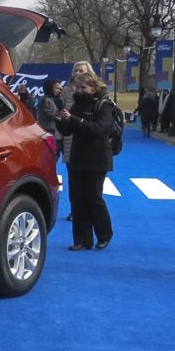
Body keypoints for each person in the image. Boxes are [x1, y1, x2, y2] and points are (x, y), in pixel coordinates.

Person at [55, 70, 114, 250]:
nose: (79, 91)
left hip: (97, 158)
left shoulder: (104, 105)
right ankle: (81, 239)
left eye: (83, 87)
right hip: (78, 156)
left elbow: (97, 129)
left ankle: (104, 234)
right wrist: (61, 120)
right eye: (77, 87)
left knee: (94, 197)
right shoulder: (78, 104)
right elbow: (68, 131)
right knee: (77, 198)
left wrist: (73, 118)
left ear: (94, 87)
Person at [61, 61, 92, 221]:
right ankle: (75, 210)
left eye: (82, 70)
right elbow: (61, 112)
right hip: (70, 139)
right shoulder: (66, 91)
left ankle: (89, 208)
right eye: (76, 70)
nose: (78, 73)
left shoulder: (93, 91)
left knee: (90, 180)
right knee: (73, 179)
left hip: (88, 136)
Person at [36, 79, 63, 157]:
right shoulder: (45, 100)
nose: (59, 90)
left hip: (53, 130)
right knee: (51, 154)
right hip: (49, 130)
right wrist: (60, 116)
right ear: (50, 88)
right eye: (57, 88)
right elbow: (47, 114)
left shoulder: (50, 99)